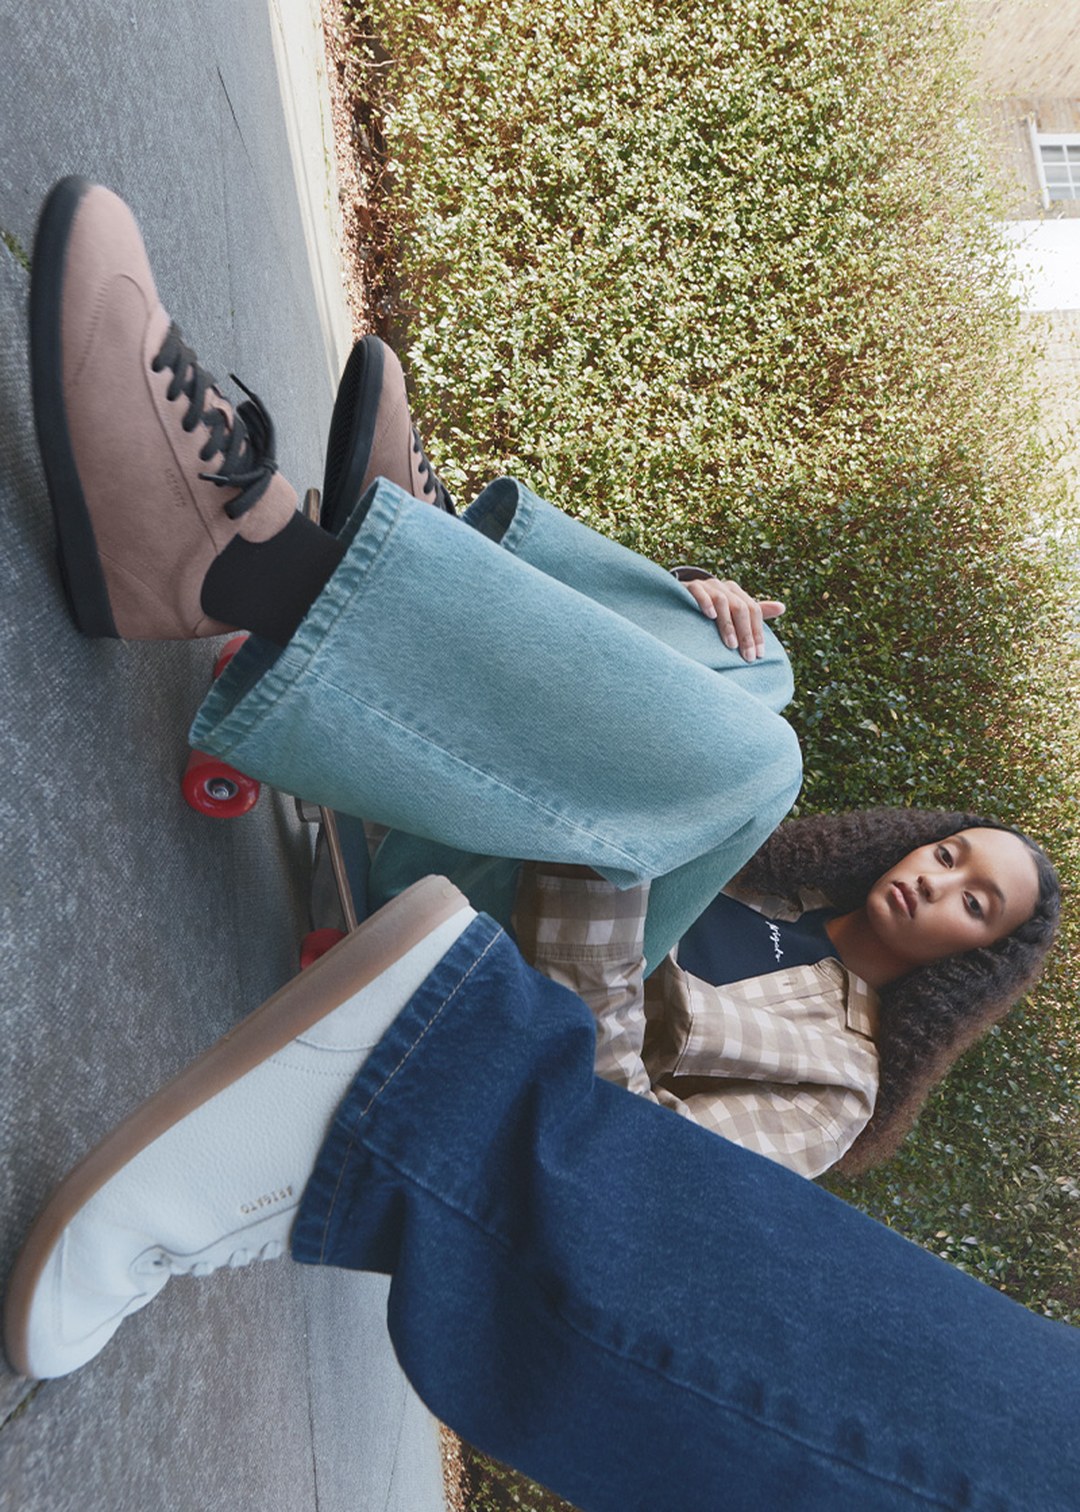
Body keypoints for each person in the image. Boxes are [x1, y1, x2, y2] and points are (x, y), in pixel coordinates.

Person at [10, 178, 1079, 1508]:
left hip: (489, 983)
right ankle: (428, 549)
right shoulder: (771, 879)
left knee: (753, 755)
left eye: (975, 904)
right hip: (474, 826)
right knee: (759, 672)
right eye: (957, 854)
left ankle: (242, 564)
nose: (941, 880)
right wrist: (684, 651)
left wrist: (616, 874)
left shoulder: (840, 1083)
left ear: (969, 964)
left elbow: (637, 1170)